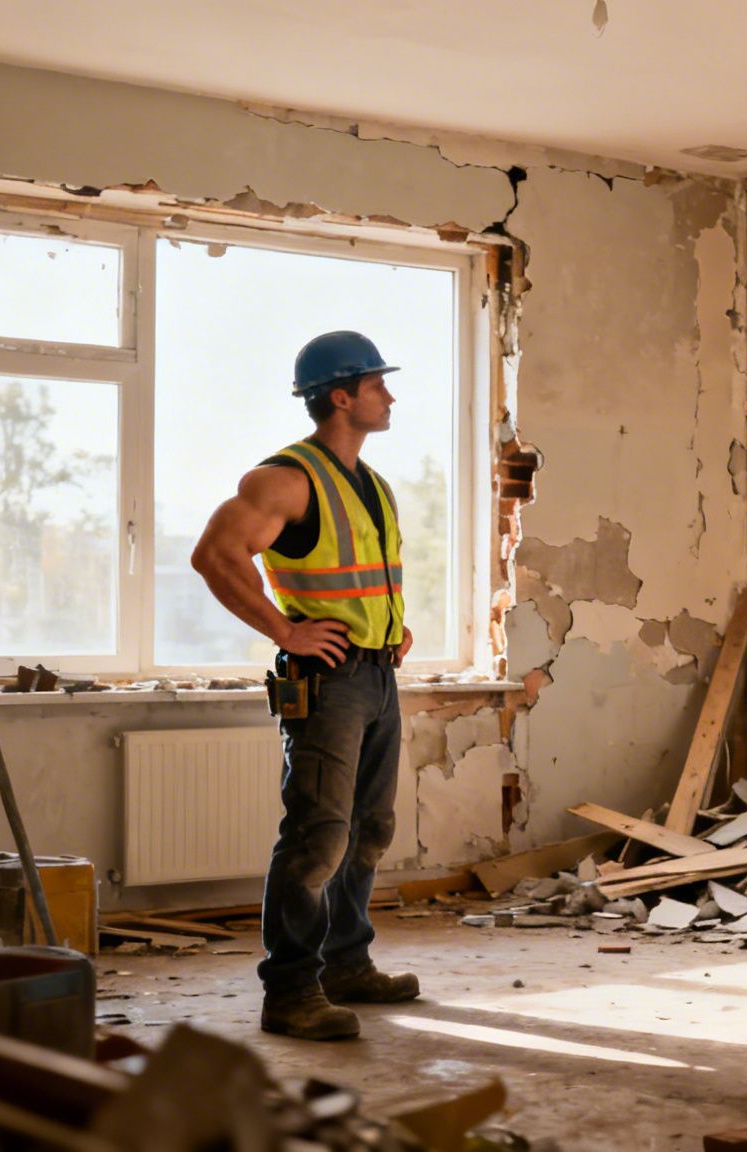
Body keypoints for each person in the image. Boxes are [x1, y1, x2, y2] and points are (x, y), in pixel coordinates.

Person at [191, 330, 420, 1041]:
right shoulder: (286, 478)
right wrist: (285, 632)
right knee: (317, 837)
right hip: (327, 683)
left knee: (370, 830)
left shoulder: (373, 485)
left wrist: (392, 630)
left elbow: (362, 581)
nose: (390, 395)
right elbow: (215, 553)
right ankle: (290, 991)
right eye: (378, 384)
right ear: (341, 396)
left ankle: (346, 964)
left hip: (377, 675)